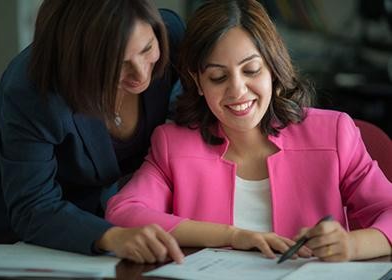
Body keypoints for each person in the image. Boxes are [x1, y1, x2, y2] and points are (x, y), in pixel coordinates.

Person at [106, 0, 392, 263]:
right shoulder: (173, 144)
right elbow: (124, 212)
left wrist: (352, 245)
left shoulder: (333, 133)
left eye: (252, 70)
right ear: (198, 81)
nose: (238, 90)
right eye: (218, 77)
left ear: (273, 69)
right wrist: (234, 236)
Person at [0, 0, 185, 263]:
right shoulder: (32, 89)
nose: (141, 73)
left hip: (101, 213)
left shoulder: (171, 36)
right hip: (5, 229)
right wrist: (112, 236)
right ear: (78, 59)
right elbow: (32, 206)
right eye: (117, 64)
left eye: (147, 49)